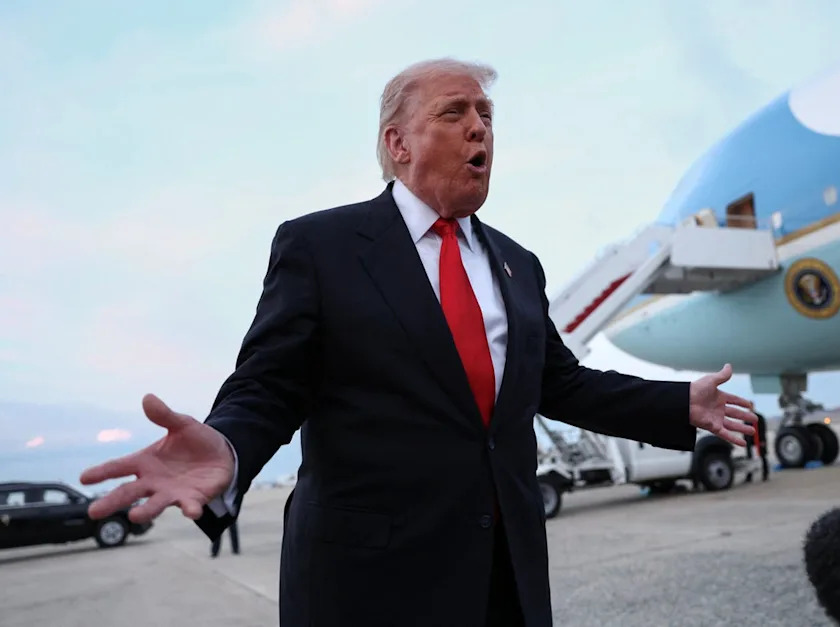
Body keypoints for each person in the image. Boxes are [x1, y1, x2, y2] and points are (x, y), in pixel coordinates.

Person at [79, 58, 757, 627]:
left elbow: (560, 382)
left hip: (504, 580)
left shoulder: (519, 264)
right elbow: (270, 383)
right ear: (398, 142)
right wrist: (227, 443)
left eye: (487, 115)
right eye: (456, 112)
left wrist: (676, 403)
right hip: (368, 584)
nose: (479, 128)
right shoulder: (322, 247)